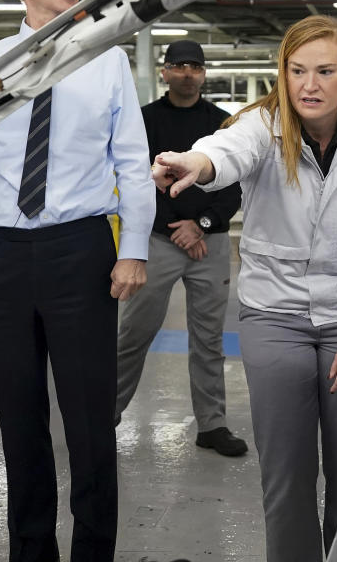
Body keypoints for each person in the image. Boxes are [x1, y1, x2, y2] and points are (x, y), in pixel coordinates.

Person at [152, 15, 337, 562]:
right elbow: (225, 154)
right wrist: (195, 164)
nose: (309, 85)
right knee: (287, 475)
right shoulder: (261, 125)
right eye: (297, 71)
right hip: (275, 318)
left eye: (324, 71)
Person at [0, 0, 154, 561]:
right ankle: (30, 552)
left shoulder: (107, 60)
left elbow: (132, 164)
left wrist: (133, 247)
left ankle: (92, 554)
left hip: (80, 253)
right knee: (18, 423)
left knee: (88, 423)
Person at [115, 40, 247, 456]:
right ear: (165, 71)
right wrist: (175, 228)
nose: (188, 73)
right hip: (156, 240)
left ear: (204, 74)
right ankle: (104, 417)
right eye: (179, 66)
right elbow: (134, 180)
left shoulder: (226, 124)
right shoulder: (143, 120)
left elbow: (234, 185)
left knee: (209, 338)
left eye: (195, 66)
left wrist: (200, 224)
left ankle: (212, 424)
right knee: (134, 332)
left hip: (209, 242)